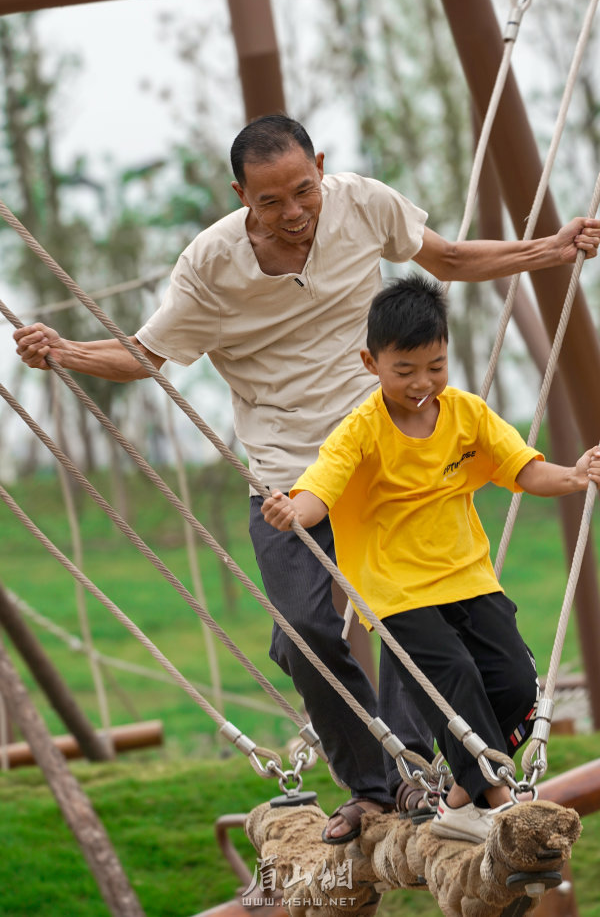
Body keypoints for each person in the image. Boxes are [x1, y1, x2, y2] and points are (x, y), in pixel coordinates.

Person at [12, 114, 600, 843]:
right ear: (240, 196)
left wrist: (550, 247)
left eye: (304, 191)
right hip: (290, 475)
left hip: (381, 458)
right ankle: (373, 784)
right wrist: (64, 349)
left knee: (421, 620)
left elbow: (447, 259)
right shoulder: (210, 266)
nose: (293, 213)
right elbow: (147, 354)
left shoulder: (362, 203)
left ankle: (421, 767)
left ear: (321, 168)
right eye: (270, 202)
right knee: (305, 634)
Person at [261, 275, 600, 844]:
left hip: (469, 577)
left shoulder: (467, 414)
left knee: (517, 685)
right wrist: (293, 512)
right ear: (372, 362)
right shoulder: (360, 431)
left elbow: (522, 469)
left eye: (436, 366)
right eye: (405, 370)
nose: (423, 383)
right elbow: (317, 494)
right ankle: (494, 802)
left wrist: (574, 475)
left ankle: (462, 795)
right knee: (454, 680)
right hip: (398, 593)